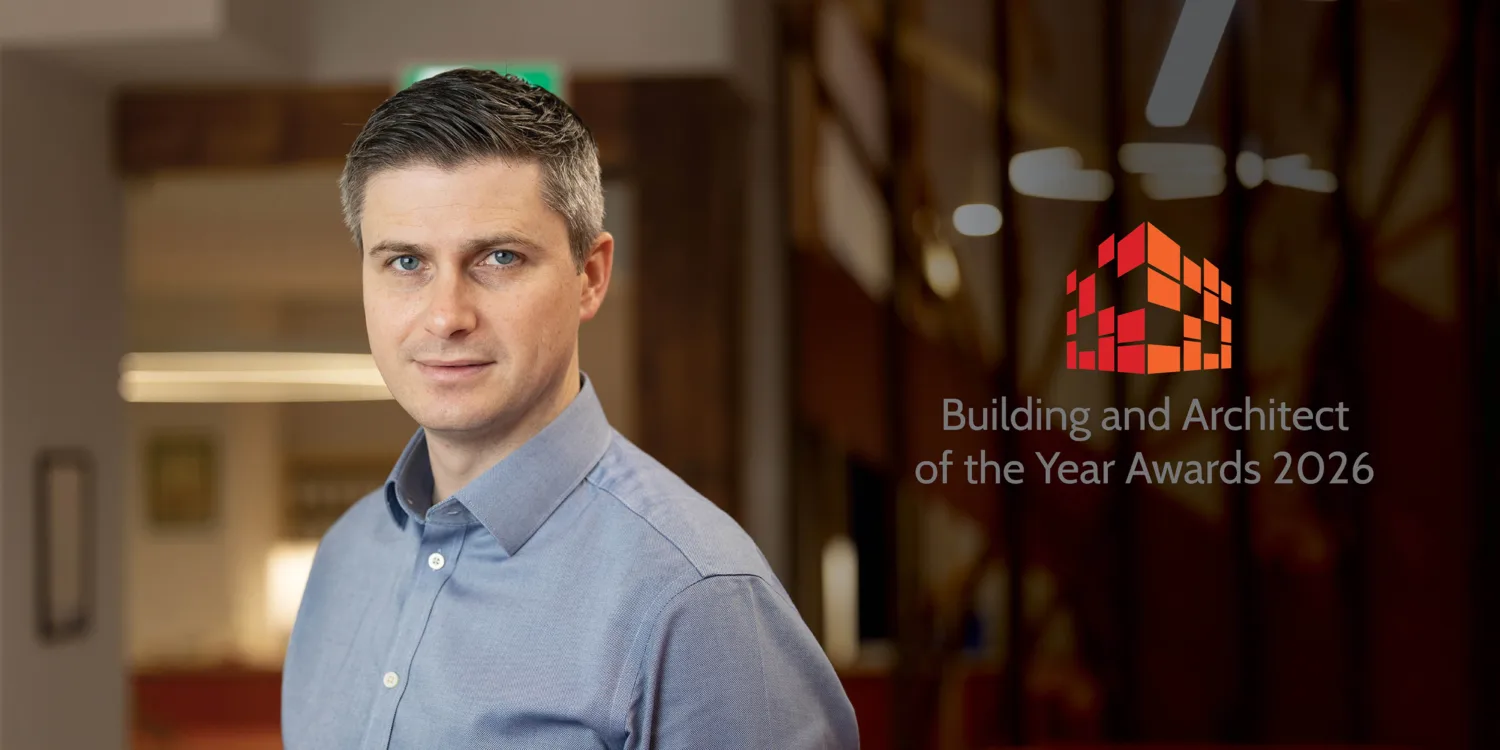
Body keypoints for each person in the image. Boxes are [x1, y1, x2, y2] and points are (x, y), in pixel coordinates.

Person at [281, 69, 860, 749]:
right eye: (405, 262)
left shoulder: (696, 598)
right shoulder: (346, 557)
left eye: (498, 257)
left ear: (590, 276)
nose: (445, 316)